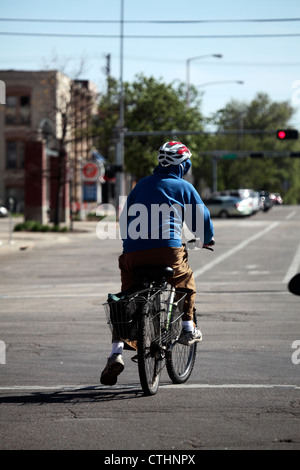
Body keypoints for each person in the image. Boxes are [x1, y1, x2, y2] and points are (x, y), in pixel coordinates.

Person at [100, 141, 214, 385]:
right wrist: (205, 239)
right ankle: (187, 327)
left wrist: (132, 244)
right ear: (184, 165)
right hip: (167, 253)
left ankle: (116, 353)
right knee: (185, 280)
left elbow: (124, 219)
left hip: (134, 253)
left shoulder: (140, 185)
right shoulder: (183, 186)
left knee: (126, 298)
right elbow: (201, 218)